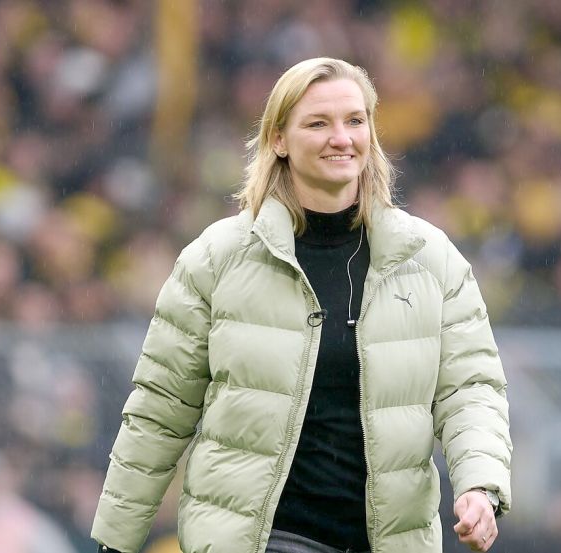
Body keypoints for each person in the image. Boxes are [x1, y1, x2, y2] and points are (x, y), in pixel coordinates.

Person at [91, 57, 512, 553]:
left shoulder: (432, 260)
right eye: (318, 123)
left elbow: (471, 389)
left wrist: (479, 486)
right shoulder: (216, 259)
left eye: (355, 121)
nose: (342, 137)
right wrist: (114, 541)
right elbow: (159, 412)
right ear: (279, 140)